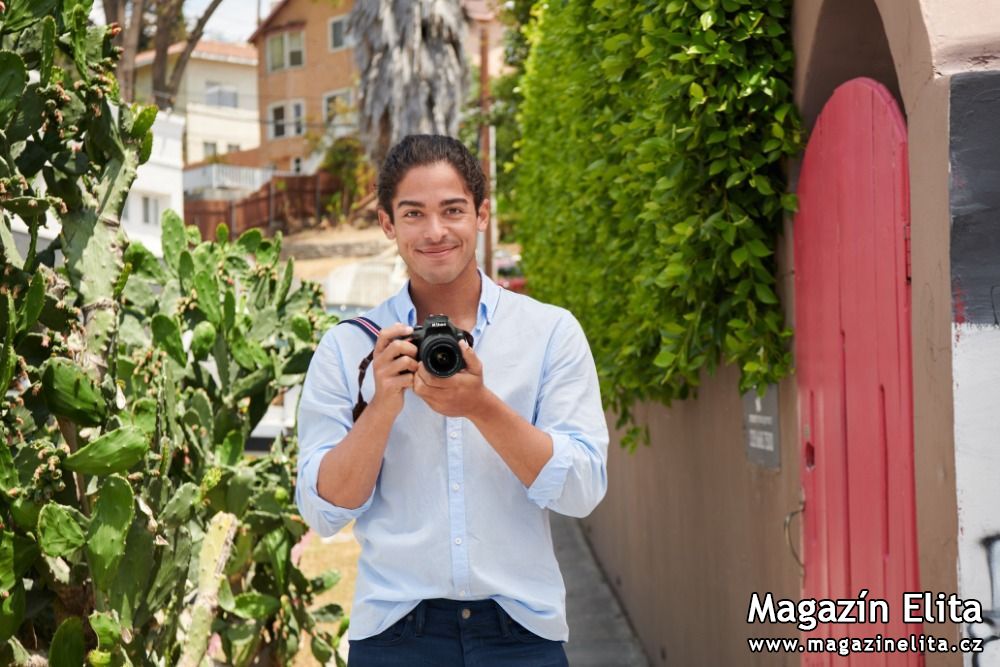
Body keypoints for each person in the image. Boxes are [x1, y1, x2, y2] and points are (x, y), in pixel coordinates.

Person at [296, 134, 609, 666]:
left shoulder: (549, 332)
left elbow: (582, 489)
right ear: (388, 224)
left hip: (522, 634)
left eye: (453, 210)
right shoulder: (349, 345)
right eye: (414, 213)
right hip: (396, 633)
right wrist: (382, 405)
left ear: (482, 215)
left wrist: (481, 406)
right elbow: (323, 512)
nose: (435, 231)